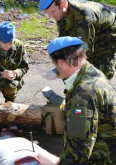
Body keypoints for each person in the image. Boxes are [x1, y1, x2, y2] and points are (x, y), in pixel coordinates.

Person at [45, 36, 116, 164]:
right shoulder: (94, 74)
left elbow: (78, 152)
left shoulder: (83, 94)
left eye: (55, 64)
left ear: (60, 63)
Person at [39, 0, 116, 80]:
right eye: (47, 12)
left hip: (108, 37)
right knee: (70, 71)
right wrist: (60, 69)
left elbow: (85, 49)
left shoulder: (82, 15)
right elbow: (65, 42)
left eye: (53, 11)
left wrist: (58, 71)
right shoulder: (61, 13)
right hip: (92, 32)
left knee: (99, 76)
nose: (50, 16)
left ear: (63, 3)